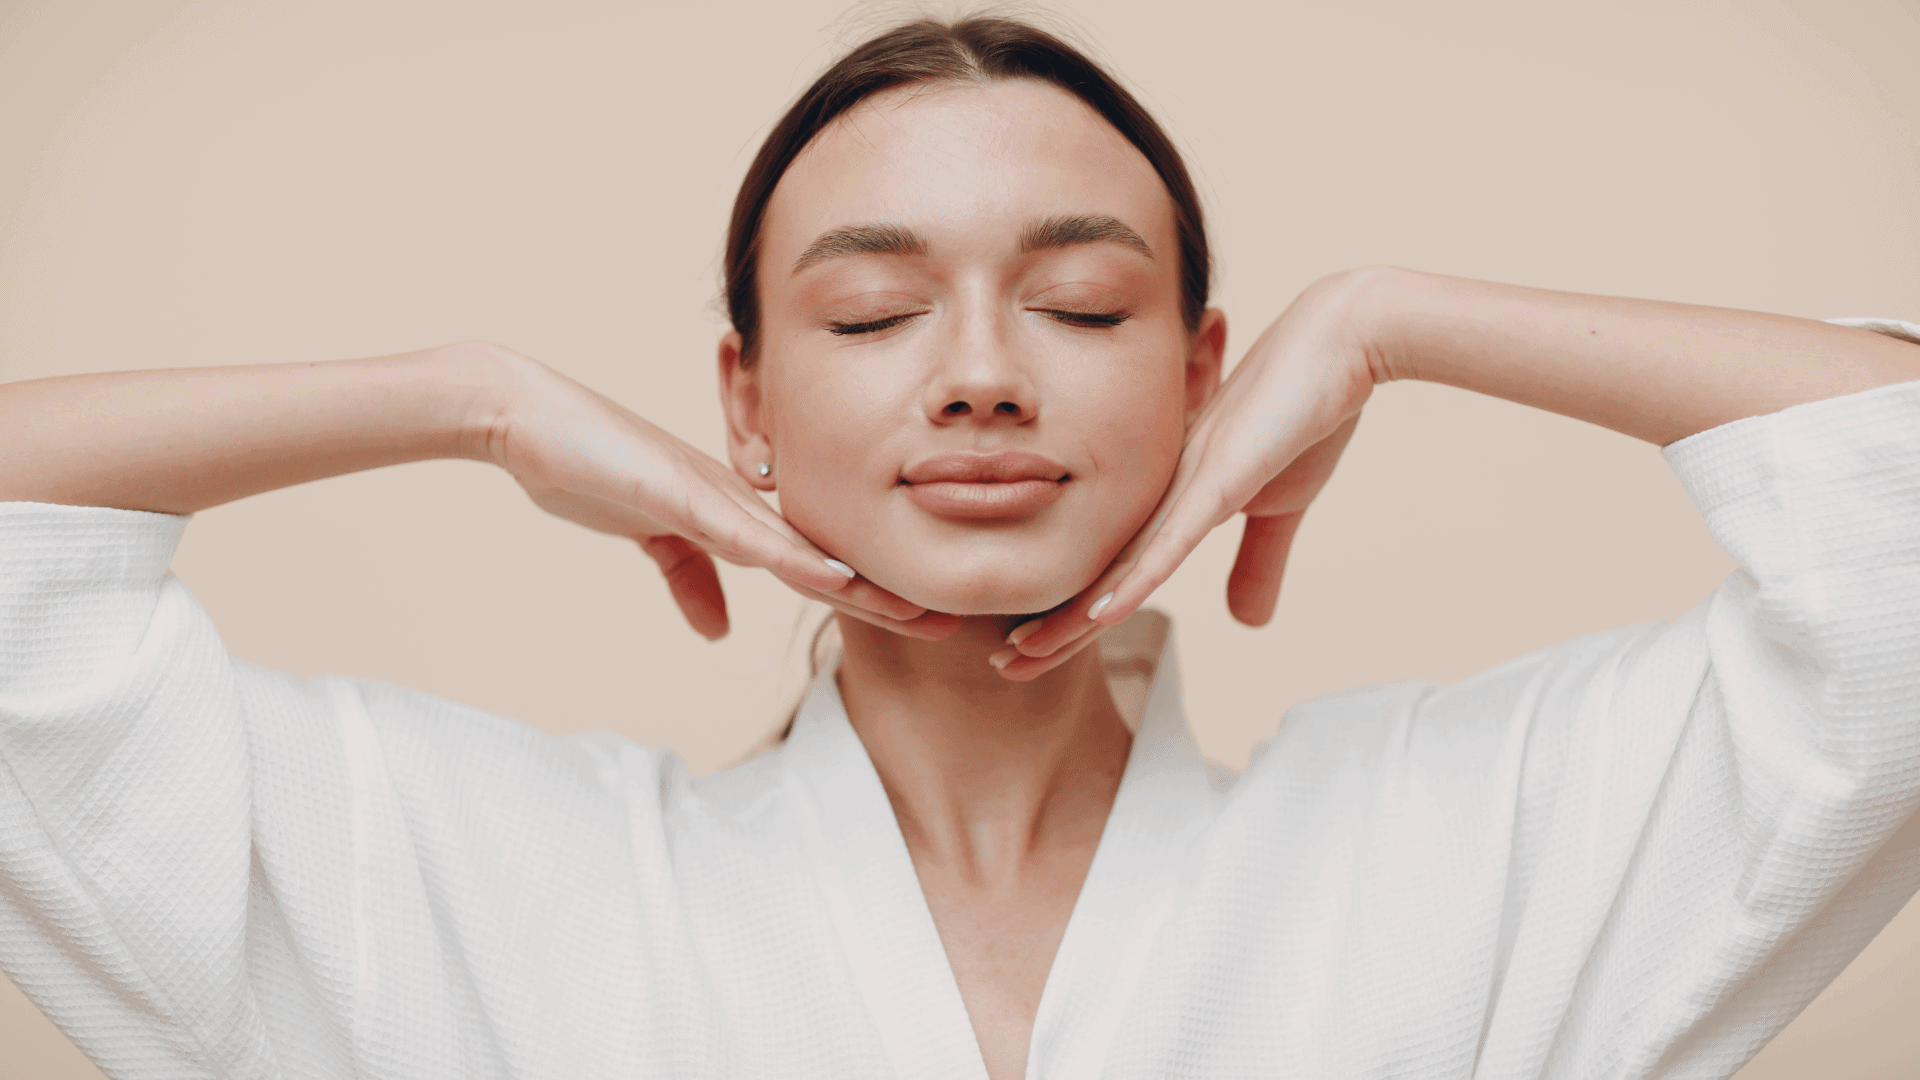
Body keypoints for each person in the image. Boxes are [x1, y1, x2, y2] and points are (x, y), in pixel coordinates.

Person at [2, 14, 1917, 1080]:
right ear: (742, 400)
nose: (987, 376)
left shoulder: (1459, 839)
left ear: (1210, 381)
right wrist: (468, 395)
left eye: (1084, 308)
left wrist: (1402, 317)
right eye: (870, 318)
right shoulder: (473, 874)